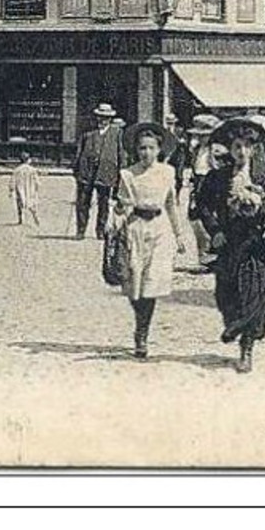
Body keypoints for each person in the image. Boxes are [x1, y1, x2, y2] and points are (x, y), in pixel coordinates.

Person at [196, 114, 265, 372]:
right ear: (230, 148)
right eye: (237, 147)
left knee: (256, 293)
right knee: (226, 293)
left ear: (254, 148)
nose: (241, 152)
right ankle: (234, 324)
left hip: (259, 243)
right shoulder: (218, 177)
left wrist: (261, 205)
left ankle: (246, 348)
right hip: (230, 241)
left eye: (246, 147)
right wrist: (214, 230)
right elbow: (202, 205)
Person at [110, 122, 189, 359]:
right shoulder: (127, 174)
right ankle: (139, 322)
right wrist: (115, 220)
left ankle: (142, 334)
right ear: (136, 150)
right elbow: (122, 206)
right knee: (135, 285)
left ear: (159, 149)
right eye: (142, 148)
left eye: (151, 148)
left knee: (151, 285)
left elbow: (171, 205)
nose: (146, 153)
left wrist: (178, 234)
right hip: (136, 229)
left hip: (160, 230)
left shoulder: (167, 172)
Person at [74, 102, 126, 240]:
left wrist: (121, 172)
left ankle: (100, 230)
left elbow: (121, 154)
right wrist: (77, 170)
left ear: (110, 119)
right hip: (86, 173)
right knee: (82, 203)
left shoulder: (117, 133)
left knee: (103, 204)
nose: (102, 120)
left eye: (105, 117)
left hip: (106, 173)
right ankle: (80, 230)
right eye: (100, 117)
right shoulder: (88, 133)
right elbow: (78, 152)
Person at [184, 114, 222, 268]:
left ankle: (214, 254)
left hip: (212, 184)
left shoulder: (217, 151)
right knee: (195, 217)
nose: (200, 138)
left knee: (211, 218)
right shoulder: (197, 150)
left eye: (203, 136)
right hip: (199, 184)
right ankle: (204, 252)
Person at [10, 151, 43, 229]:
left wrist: (11, 189)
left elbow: (13, 180)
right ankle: (36, 217)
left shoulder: (17, 170)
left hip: (20, 188)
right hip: (30, 188)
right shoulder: (32, 170)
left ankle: (21, 218)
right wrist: (37, 186)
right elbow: (37, 180)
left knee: (20, 203)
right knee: (31, 204)